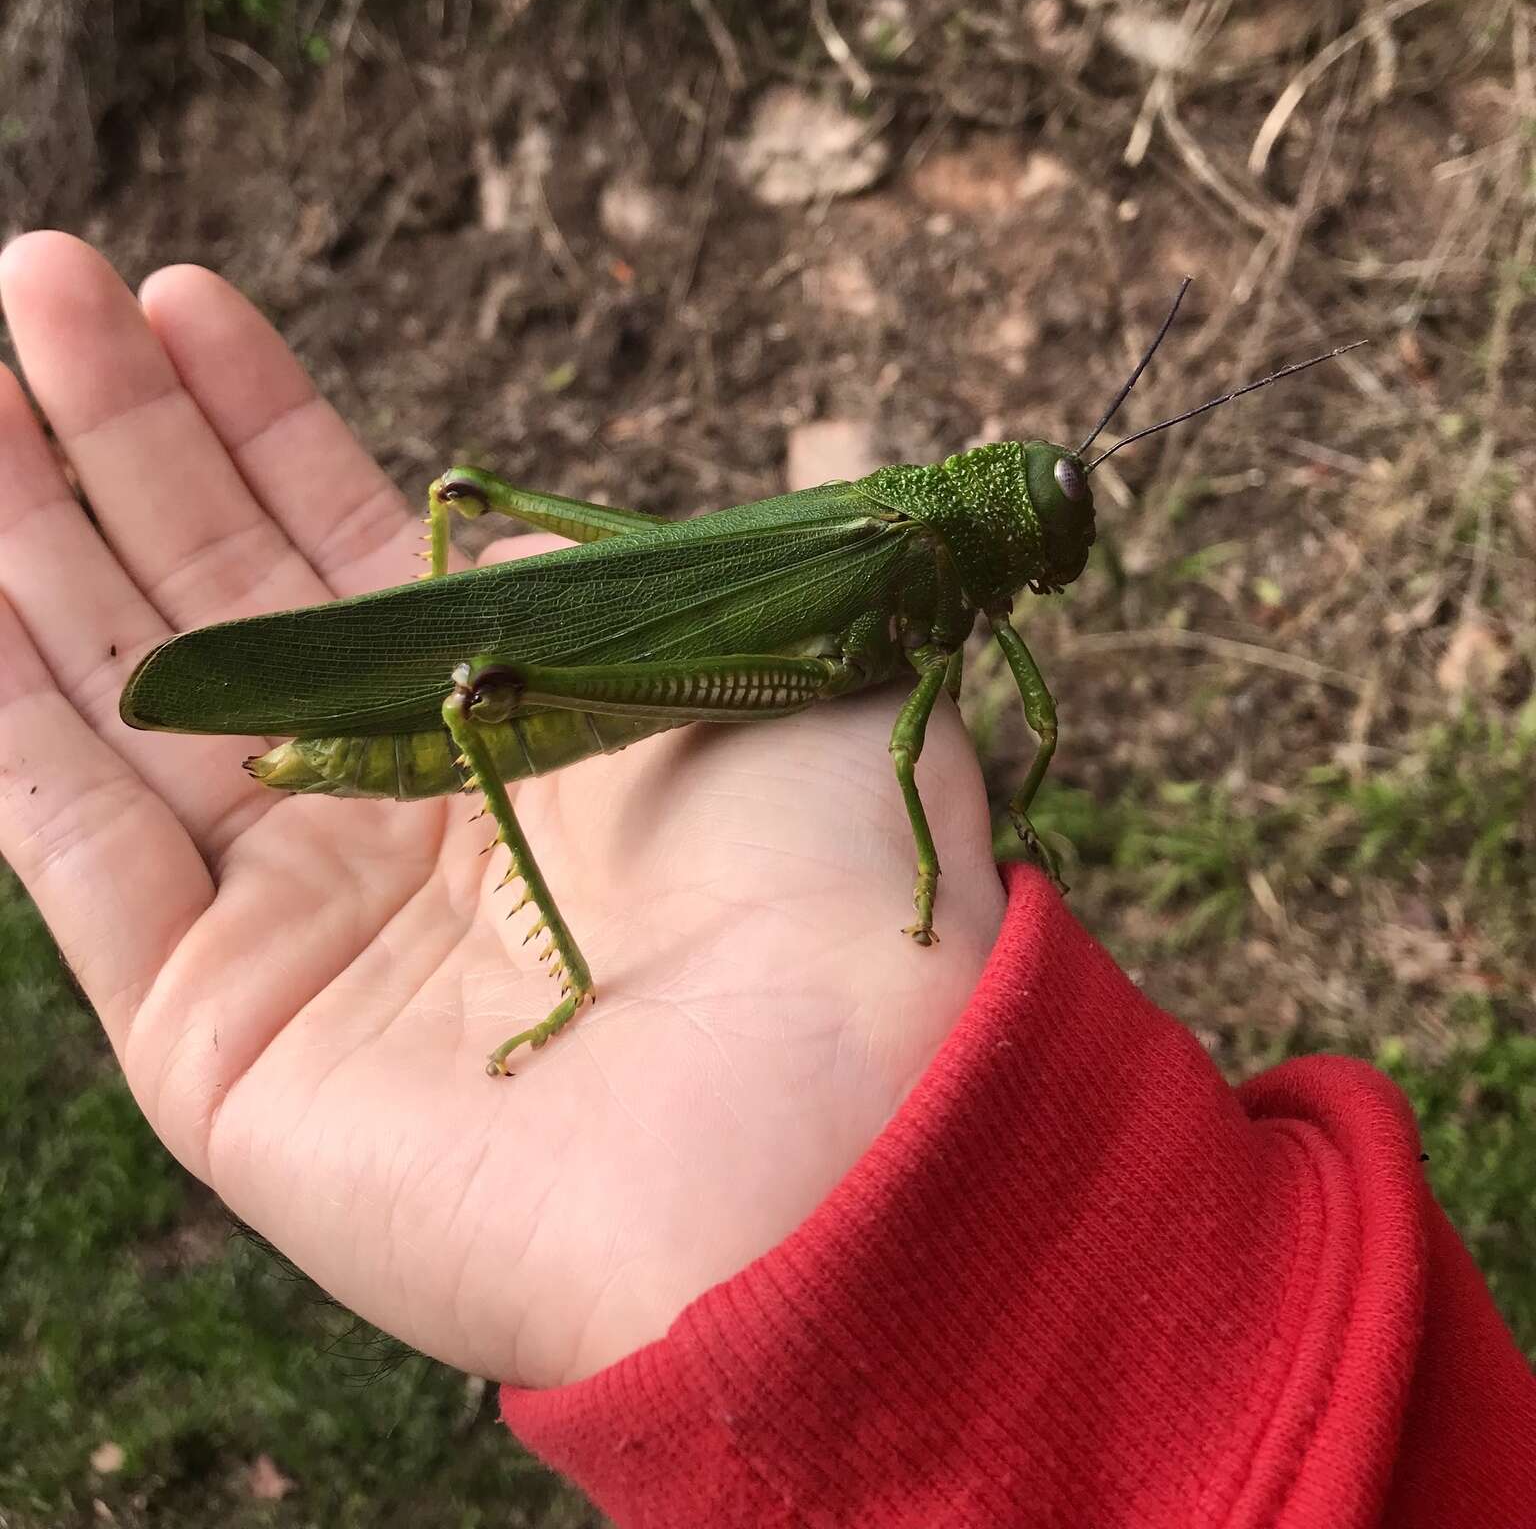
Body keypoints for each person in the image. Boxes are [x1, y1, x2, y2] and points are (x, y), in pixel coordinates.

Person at [0, 230, 1531, 1528]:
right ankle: (519, 873)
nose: (1071, 539)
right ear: (1008, 519)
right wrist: (938, 875)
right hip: (616, 670)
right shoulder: (917, 563)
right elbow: (963, 731)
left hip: (696, 651)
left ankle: (450, 705)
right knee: (475, 608)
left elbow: (1008, 721)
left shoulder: (951, 550)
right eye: (1062, 515)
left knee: (487, 605)